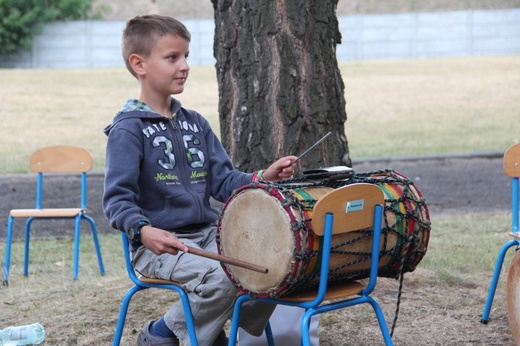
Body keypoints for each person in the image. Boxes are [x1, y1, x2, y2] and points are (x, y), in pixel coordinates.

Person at [102, 14, 297, 346]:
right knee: (225, 278)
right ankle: (160, 334)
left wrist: (262, 177)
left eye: (186, 56)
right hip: (159, 245)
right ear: (140, 64)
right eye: (172, 57)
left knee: (269, 266)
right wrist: (143, 230)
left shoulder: (195, 123)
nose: (185, 66)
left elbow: (223, 181)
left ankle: (208, 330)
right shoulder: (127, 129)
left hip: (209, 235)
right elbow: (116, 200)